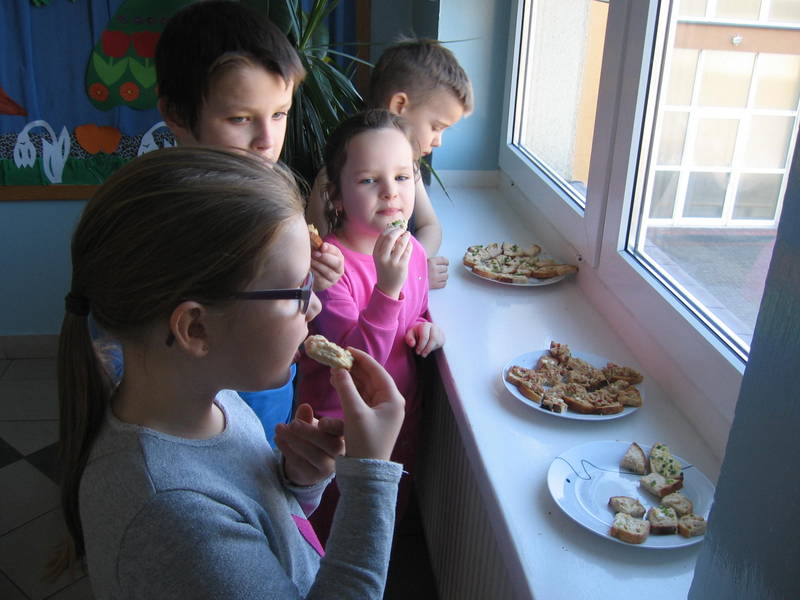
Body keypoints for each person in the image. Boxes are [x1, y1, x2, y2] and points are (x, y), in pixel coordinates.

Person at [53, 146, 406, 599]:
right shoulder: (175, 520)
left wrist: (297, 481)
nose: (315, 306)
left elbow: (261, 523)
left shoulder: (212, 397)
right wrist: (371, 477)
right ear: (196, 328)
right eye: (297, 291)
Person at [150, 0, 344, 444]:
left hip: (270, 403)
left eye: (279, 113)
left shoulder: (273, 189)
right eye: (240, 119)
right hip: (198, 423)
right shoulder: (165, 220)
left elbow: (276, 294)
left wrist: (308, 279)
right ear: (176, 115)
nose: (266, 141)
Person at [297, 109, 446, 545]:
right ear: (336, 196)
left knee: (382, 524)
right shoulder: (331, 268)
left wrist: (426, 328)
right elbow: (356, 365)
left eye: (402, 177)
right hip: (340, 432)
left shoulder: (410, 248)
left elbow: (415, 310)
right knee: (337, 534)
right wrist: (387, 288)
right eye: (368, 180)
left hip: (400, 417)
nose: (390, 192)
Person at [306, 37, 474, 289]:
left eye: (401, 178)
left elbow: (431, 227)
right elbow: (318, 262)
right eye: (436, 126)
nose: (438, 141)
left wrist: (413, 265)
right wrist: (403, 278)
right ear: (399, 106)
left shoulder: (410, 170)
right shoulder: (332, 178)